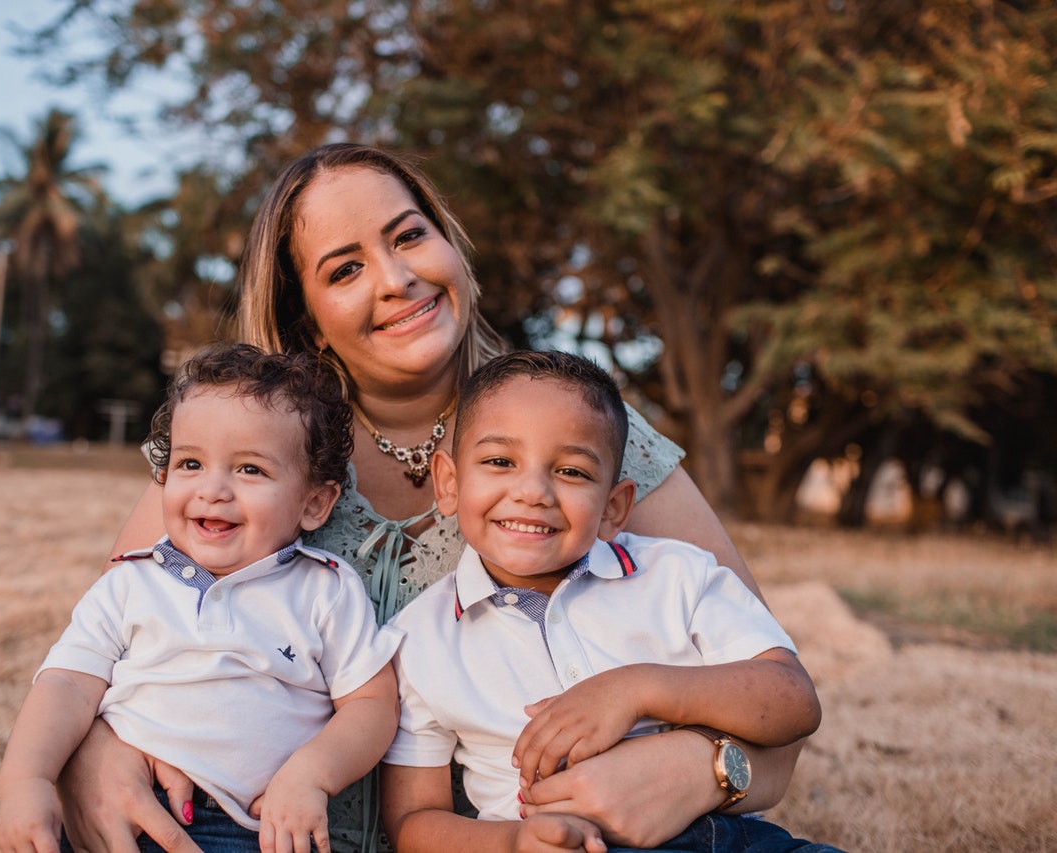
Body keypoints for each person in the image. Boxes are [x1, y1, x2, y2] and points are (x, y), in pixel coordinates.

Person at [56, 143, 808, 853]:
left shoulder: (583, 431)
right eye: (345, 270)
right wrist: (91, 753)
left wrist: (701, 768)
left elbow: (778, 716)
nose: (395, 279)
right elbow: (111, 635)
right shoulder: (246, 453)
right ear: (305, 319)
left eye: (408, 236)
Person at [380, 350, 834, 853]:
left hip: (720, 837)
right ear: (449, 483)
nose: (533, 492)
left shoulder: (677, 575)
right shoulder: (419, 638)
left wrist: (638, 688)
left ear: (614, 507)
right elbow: (413, 822)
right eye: (499, 462)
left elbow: (795, 700)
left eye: (571, 472)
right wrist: (514, 841)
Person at [0, 343, 401, 853]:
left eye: (250, 470)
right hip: (123, 805)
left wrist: (312, 776)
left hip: (254, 828)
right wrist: (25, 783)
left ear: (315, 502)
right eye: (190, 463)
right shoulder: (131, 582)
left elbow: (371, 705)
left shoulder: (325, 588)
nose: (213, 490)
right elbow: (68, 686)